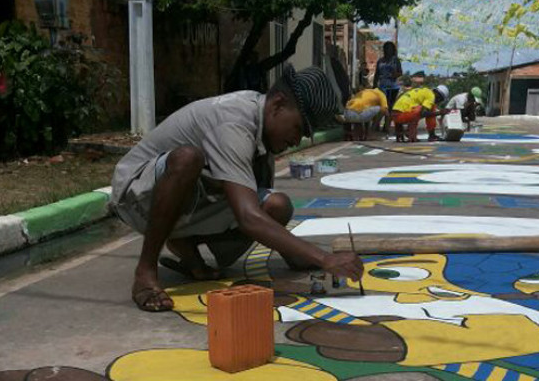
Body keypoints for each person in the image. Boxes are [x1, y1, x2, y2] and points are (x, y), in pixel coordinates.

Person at [110, 65, 364, 312]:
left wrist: (299, 256)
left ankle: (187, 249)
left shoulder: (262, 135)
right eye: (299, 128)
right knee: (188, 159)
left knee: (276, 206)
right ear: (277, 104)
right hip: (136, 196)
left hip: (188, 200)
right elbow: (248, 217)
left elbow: (258, 211)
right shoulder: (234, 121)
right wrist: (324, 258)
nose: (297, 140)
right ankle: (145, 271)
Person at [373, 42, 403, 132]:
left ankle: (386, 126)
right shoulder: (380, 61)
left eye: (390, 48)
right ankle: (376, 125)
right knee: (382, 106)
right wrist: (374, 85)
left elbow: (400, 72)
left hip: (393, 87)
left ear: (393, 50)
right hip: (382, 86)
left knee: (389, 107)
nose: (388, 50)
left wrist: (395, 75)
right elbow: (376, 74)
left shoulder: (396, 60)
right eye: (386, 48)